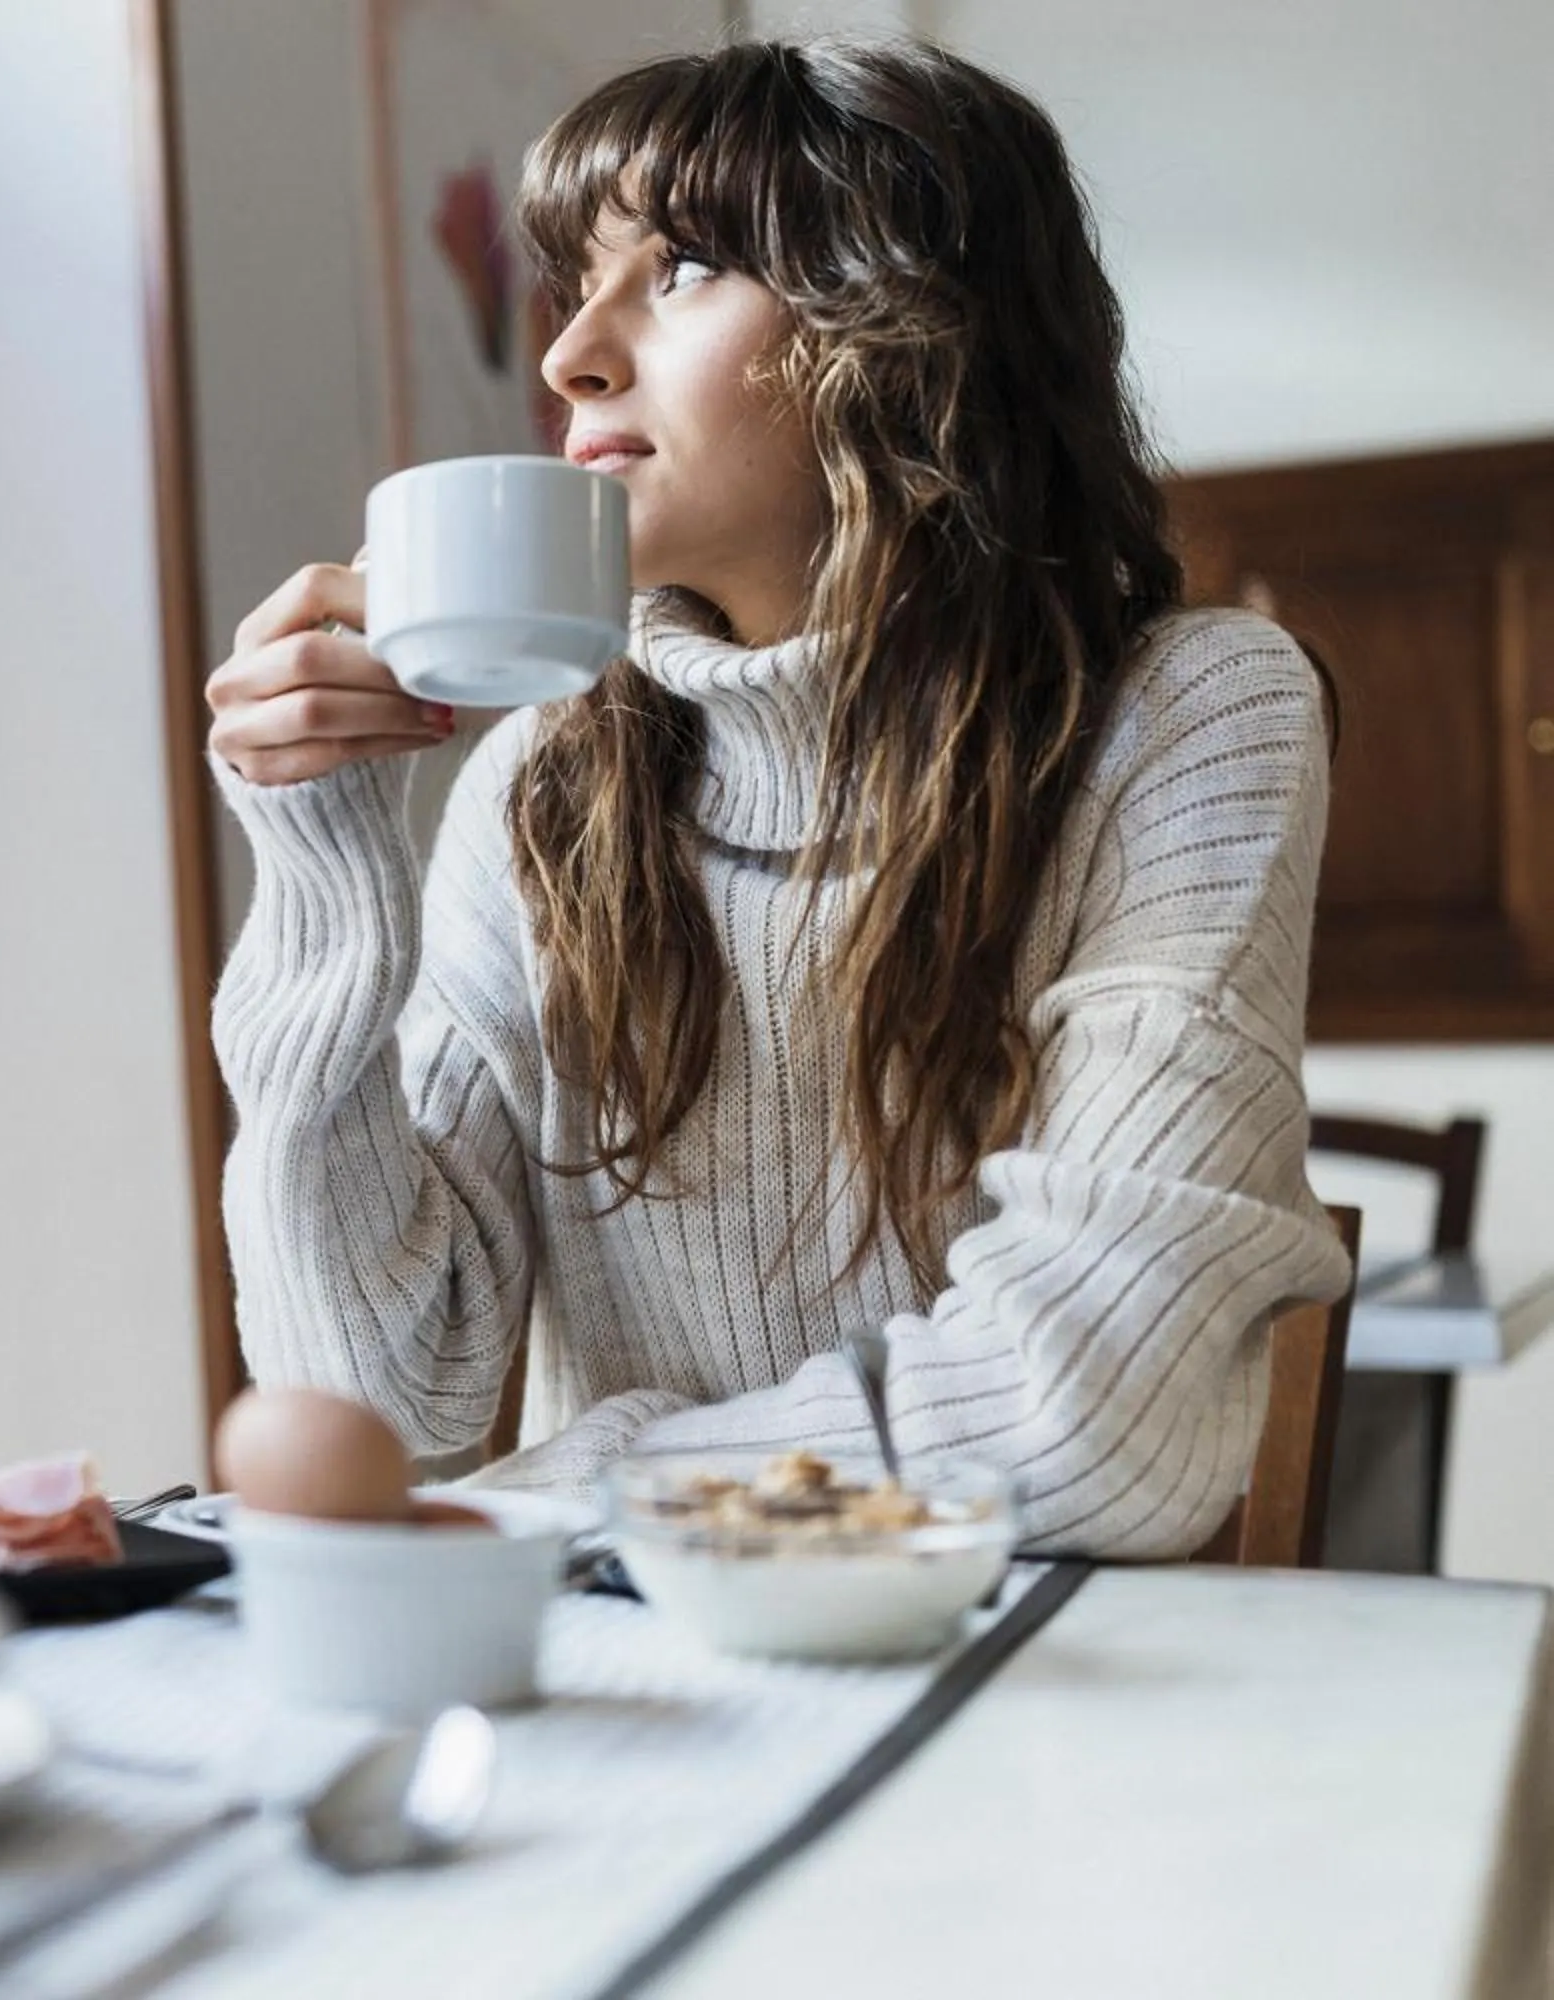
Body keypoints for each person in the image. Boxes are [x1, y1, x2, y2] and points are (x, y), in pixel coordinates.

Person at [201, 36, 1349, 1558]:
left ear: (912, 319)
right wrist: (321, 856)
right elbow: (379, 1404)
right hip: (647, 1690)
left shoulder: (1186, 712)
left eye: (676, 269)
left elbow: (1092, 1424)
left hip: (1033, 1700)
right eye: (576, 279)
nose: (569, 356)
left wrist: (579, 1475)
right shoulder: (545, 786)